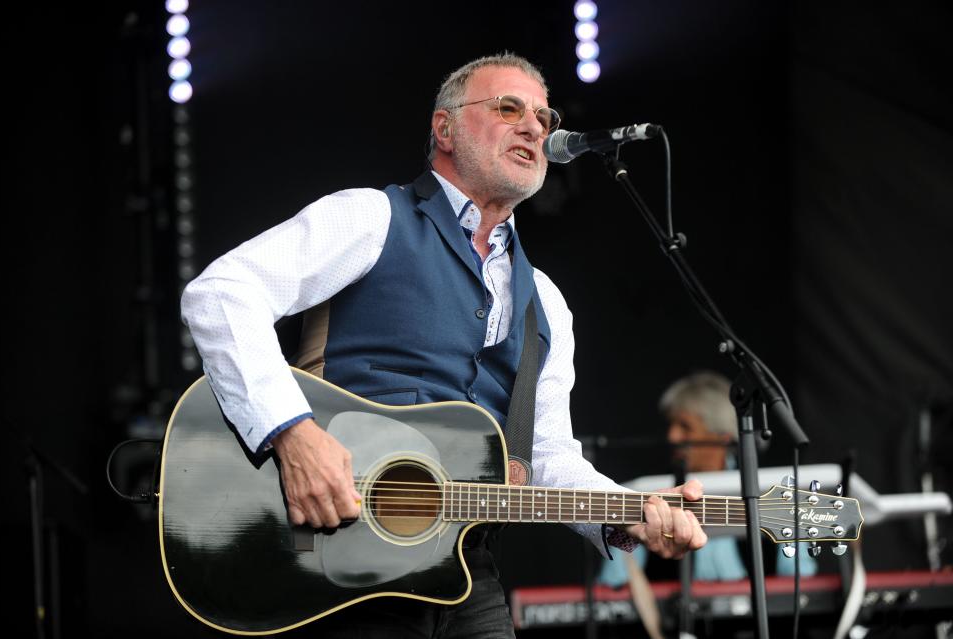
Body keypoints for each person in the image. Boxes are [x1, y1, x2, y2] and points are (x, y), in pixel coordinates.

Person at [181, 53, 708, 637]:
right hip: (333, 558)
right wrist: (294, 435)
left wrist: (627, 515)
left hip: (463, 571)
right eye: (509, 107)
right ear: (445, 128)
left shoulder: (547, 302)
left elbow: (550, 454)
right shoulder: (370, 219)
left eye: (543, 114)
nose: (535, 126)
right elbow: (222, 294)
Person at [599, 371, 817, 588]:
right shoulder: (647, 492)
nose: (672, 436)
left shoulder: (767, 492)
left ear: (722, 437)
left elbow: (799, 579)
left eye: (685, 427)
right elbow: (614, 585)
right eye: (671, 425)